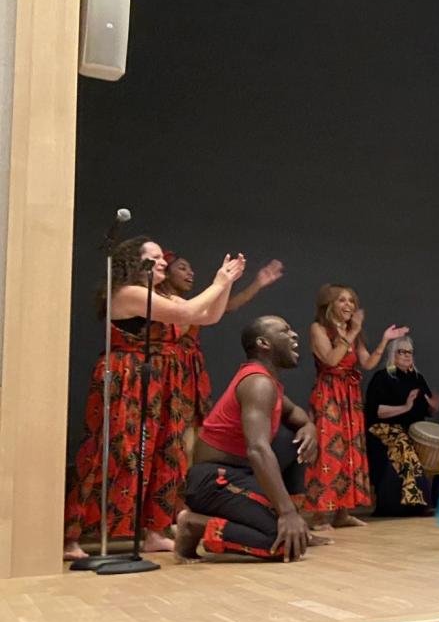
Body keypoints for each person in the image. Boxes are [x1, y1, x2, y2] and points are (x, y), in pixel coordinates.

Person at [63, 238, 246, 560]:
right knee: (114, 453)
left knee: (167, 453)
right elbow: (187, 310)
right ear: (135, 263)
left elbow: (207, 316)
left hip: (162, 382)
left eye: (163, 257)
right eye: (155, 257)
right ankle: (71, 536)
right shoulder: (128, 292)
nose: (163, 262)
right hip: (128, 378)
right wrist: (217, 282)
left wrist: (227, 283)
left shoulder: (161, 296)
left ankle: (155, 532)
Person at [174, 316, 329, 562]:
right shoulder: (257, 383)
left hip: (239, 476)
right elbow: (257, 449)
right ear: (263, 343)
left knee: (294, 438)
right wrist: (286, 512)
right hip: (213, 480)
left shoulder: (270, 383)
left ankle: (291, 522)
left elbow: (296, 415)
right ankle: (194, 524)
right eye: (285, 330)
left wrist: (309, 428)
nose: (294, 335)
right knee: (283, 544)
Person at [304, 284, 409, 529]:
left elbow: (368, 363)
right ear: (329, 304)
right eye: (343, 300)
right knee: (328, 451)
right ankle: (319, 515)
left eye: (352, 301)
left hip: (350, 397)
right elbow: (331, 359)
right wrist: (352, 333)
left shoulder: (353, 332)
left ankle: (342, 513)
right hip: (329, 394)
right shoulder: (319, 329)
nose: (349, 306)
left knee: (351, 450)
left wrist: (385, 340)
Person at [159, 252, 285, 433]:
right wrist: (221, 282)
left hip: (188, 370)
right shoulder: (161, 302)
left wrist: (256, 284)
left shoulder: (188, 304)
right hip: (167, 370)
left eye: (190, 268)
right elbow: (187, 313)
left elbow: (225, 307)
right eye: (182, 268)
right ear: (166, 273)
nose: (190, 273)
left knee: (191, 428)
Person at [364, 336, 439, 516]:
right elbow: (376, 411)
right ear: (393, 354)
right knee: (403, 444)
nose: (407, 356)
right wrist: (405, 407)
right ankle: (409, 502)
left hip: (411, 429)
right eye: (402, 351)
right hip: (385, 429)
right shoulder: (383, 377)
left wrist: (433, 406)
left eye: (410, 352)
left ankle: (432, 501)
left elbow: (427, 410)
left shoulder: (417, 378)